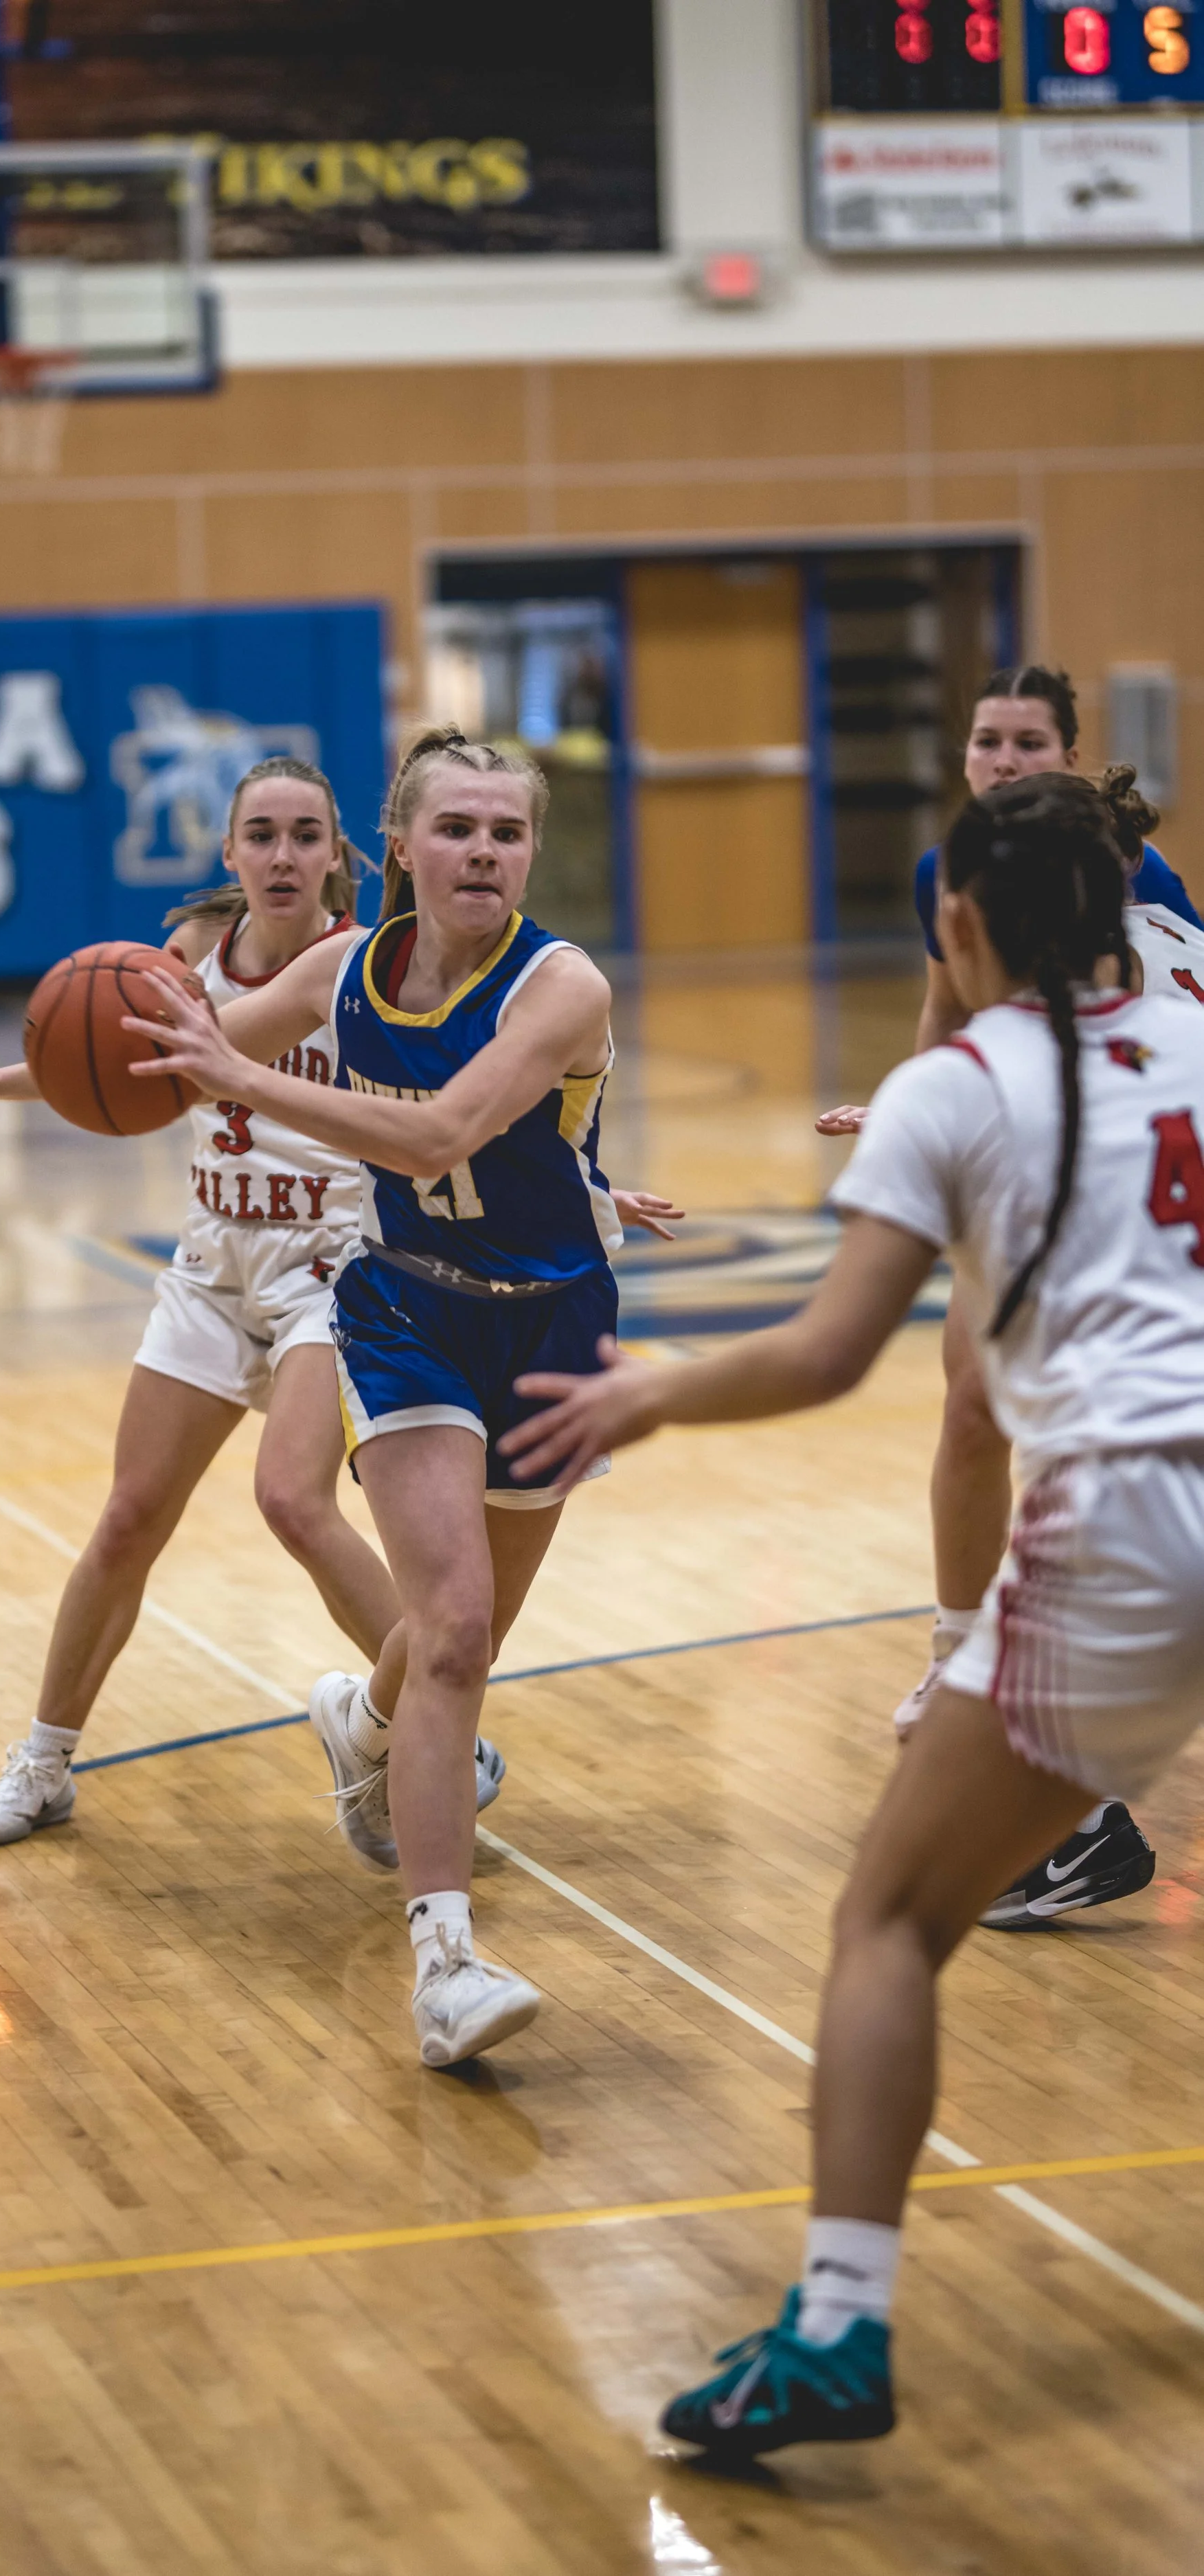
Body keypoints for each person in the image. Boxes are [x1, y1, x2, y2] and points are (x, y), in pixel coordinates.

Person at [503, 772, 1204, 2453]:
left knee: (886, 1922)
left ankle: (833, 2330)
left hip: (1125, 1521)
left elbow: (825, 1355)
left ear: (956, 928)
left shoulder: (947, 1088)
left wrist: (653, 1398)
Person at [122, 725, 680, 2068]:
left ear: (527, 851)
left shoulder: (562, 986)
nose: (484, 851)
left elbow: (438, 1133)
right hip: (401, 1309)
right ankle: (444, 1962)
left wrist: (246, 1084)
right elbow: (161, 1047)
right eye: (457, 828)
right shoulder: (344, 965)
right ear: (401, 849)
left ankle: (356, 1726)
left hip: (549, 1331)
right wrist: (17, 1074)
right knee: (454, 1630)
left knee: (446, 1649)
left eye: (506, 831)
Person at [0, 755, 503, 1849]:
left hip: (337, 1263)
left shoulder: (370, 970)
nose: (282, 855)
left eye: (306, 835)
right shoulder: (177, 960)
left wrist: (579, 1188)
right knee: (129, 1518)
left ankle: (431, 1725)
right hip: (214, 1259)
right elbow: (118, 1064)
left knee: (295, 1500)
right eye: (260, 834)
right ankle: (43, 1763)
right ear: (229, 853)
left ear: (339, 856)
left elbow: (455, 1105)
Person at [817, 669, 1197, 1928]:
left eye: (1028, 741)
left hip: (1127, 1238)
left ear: (1073, 762)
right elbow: (954, 1021)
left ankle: (1062, 1799)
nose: (1002, 758)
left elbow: (1116, 1072)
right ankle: (962, 1665)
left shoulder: (1132, 902)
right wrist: (924, 1102)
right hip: (1084, 1203)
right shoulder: (958, 885)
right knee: (976, 1410)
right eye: (986, 740)